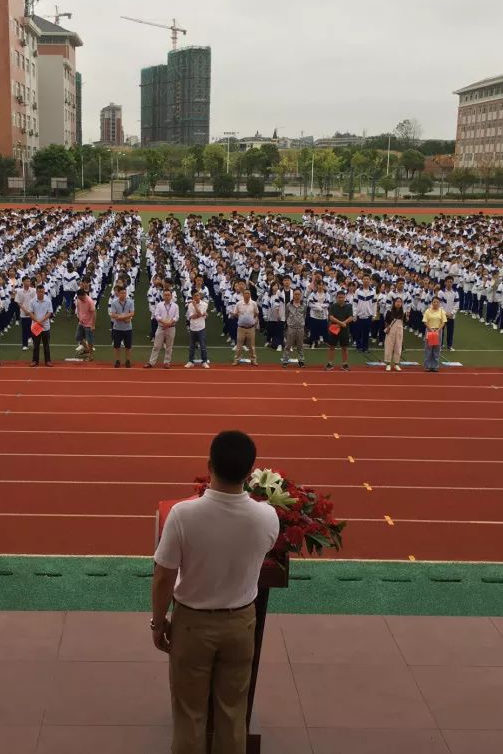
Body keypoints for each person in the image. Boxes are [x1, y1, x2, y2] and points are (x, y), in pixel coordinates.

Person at [152, 430, 279, 754]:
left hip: (192, 625)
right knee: (232, 714)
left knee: (189, 716)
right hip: (240, 625)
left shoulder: (183, 514)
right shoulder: (267, 516)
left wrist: (158, 622)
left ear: (209, 465)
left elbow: (163, 577)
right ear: (251, 473)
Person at [147, 287, 179, 368]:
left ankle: (167, 362)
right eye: (165, 295)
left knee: (169, 346)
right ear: (163, 296)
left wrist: (169, 323)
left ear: (171, 296)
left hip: (171, 327)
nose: (167, 296)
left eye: (168, 295)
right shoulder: (159, 305)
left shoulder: (175, 306)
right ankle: (151, 362)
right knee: (156, 346)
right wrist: (164, 322)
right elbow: (156, 315)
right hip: (161, 327)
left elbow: (177, 317)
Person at [325, 289, 353, 371]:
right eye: (339, 297)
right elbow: (331, 317)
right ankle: (330, 363)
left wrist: (344, 323)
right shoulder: (333, 306)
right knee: (332, 347)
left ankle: (345, 364)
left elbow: (351, 317)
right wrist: (341, 323)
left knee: (344, 347)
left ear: (345, 298)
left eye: (342, 297)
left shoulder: (349, 306)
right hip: (334, 329)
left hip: (345, 330)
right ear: (336, 298)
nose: (341, 299)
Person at [231, 288, 260, 366]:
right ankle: (236, 360)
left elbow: (257, 313)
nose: (247, 295)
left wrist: (252, 320)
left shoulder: (254, 303)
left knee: (251, 346)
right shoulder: (238, 304)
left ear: (250, 295)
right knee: (239, 346)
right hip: (241, 328)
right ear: (243, 295)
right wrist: (242, 319)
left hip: (251, 328)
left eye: (248, 293)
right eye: (245, 293)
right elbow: (235, 313)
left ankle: (253, 360)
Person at [109, 285, 135, 369]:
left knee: (128, 346)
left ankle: (127, 360)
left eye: (124, 292)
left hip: (128, 328)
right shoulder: (114, 303)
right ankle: (117, 360)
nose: (123, 294)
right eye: (121, 293)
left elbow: (132, 313)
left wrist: (120, 317)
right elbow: (113, 314)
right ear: (118, 293)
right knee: (117, 346)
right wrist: (125, 317)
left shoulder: (130, 302)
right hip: (117, 328)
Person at [29, 284, 53, 367]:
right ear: (36, 292)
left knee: (46, 345)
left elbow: (49, 313)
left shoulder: (48, 300)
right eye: (39, 292)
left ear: (44, 292)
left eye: (42, 292)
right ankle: (35, 361)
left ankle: (48, 361)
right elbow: (30, 313)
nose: (40, 293)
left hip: (45, 326)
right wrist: (37, 321)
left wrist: (41, 321)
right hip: (36, 326)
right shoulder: (32, 301)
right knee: (36, 345)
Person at [184, 290, 210, 369]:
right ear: (192, 297)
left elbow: (198, 314)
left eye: (198, 295)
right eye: (195, 295)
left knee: (203, 346)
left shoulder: (204, 304)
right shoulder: (189, 305)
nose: (196, 297)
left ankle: (204, 361)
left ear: (200, 296)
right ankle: (190, 361)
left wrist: (195, 307)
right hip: (193, 328)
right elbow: (192, 316)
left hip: (201, 327)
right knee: (191, 346)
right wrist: (200, 314)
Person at [282, 288, 306, 368]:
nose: (297, 296)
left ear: (301, 295)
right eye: (295, 294)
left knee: (300, 346)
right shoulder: (289, 305)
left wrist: (301, 323)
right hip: (291, 328)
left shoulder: (304, 305)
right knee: (288, 345)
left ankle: (301, 361)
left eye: (298, 294)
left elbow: (304, 315)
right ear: (293, 295)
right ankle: (285, 360)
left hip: (300, 328)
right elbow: (286, 315)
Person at [422, 296, 447, 372]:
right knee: (428, 348)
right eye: (434, 302)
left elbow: (443, 322)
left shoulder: (441, 311)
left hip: (438, 331)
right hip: (430, 331)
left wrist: (438, 330)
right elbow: (425, 321)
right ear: (432, 303)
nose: (435, 303)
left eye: (437, 302)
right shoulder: (428, 311)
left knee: (437, 348)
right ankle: (427, 366)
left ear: (439, 303)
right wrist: (430, 329)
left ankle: (435, 366)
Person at [383, 297, 406, 372]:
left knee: (398, 347)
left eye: (400, 302)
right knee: (389, 346)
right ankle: (388, 364)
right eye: (397, 301)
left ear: (401, 303)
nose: (398, 303)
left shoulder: (403, 313)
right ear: (394, 303)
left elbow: (404, 322)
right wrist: (387, 328)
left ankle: (396, 364)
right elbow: (386, 321)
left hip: (399, 331)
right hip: (391, 331)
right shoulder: (389, 311)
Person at [74, 288, 96, 362]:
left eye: (80, 297)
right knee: (78, 337)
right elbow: (79, 309)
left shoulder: (90, 301)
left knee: (90, 341)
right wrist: (79, 318)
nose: (79, 299)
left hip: (89, 324)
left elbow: (94, 313)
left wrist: (93, 325)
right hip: (81, 322)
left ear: (84, 295)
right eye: (78, 297)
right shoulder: (79, 299)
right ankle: (87, 349)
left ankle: (91, 356)